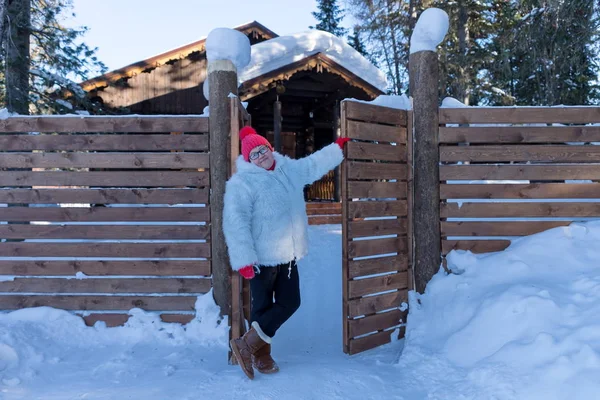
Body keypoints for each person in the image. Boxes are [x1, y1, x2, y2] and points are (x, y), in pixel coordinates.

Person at [223, 125, 350, 380]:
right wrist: (244, 258)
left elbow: (311, 166)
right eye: (254, 154)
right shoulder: (242, 182)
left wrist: (335, 149)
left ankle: (245, 345)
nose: (260, 156)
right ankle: (262, 356)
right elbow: (235, 221)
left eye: (263, 150)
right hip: (261, 258)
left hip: (288, 254)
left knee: (291, 302)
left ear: (270, 149)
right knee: (261, 306)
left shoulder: (287, 169)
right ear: (248, 159)